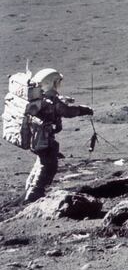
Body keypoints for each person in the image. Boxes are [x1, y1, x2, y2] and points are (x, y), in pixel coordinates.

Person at [24, 69, 93, 203]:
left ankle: (30, 188)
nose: (59, 85)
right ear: (52, 83)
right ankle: (34, 194)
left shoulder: (41, 98)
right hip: (43, 140)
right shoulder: (51, 102)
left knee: (41, 163)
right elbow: (66, 111)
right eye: (58, 82)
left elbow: (57, 105)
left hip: (37, 139)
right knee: (49, 165)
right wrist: (83, 110)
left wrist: (62, 100)